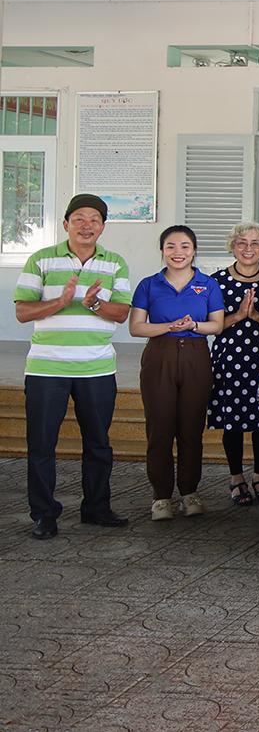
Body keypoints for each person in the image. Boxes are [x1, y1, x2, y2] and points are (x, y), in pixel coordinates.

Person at [15, 193, 132, 539]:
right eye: (79, 219)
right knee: (41, 445)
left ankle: (96, 508)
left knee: (98, 443)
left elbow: (121, 313)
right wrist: (61, 301)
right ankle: (44, 514)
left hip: (96, 368)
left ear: (103, 227)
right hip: (46, 369)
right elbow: (22, 311)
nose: (86, 225)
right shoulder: (41, 259)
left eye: (94, 220)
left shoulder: (115, 263)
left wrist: (93, 304)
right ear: (66, 223)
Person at [129, 225, 226, 522]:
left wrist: (194, 326)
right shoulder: (149, 285)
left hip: (196, 356)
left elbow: (217, 325)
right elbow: (136, 327)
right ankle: (161, 496)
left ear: (194, 251)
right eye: (170, 246)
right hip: (160, 355)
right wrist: (168, 327)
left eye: (185, 246)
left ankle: (189, 492)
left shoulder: (208, 284)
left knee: (191, 428)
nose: (178, 252)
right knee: (159, 428)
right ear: (162, 251)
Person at [210, 221, 259, 507]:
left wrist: (258, 316)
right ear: (233, 246)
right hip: (230, 359)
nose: (248, 249)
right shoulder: (216, 280)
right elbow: (211, 325)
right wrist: (239, 315)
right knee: (233, 421)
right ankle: (236, 477)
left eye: (255, 243)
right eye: (242, 243)